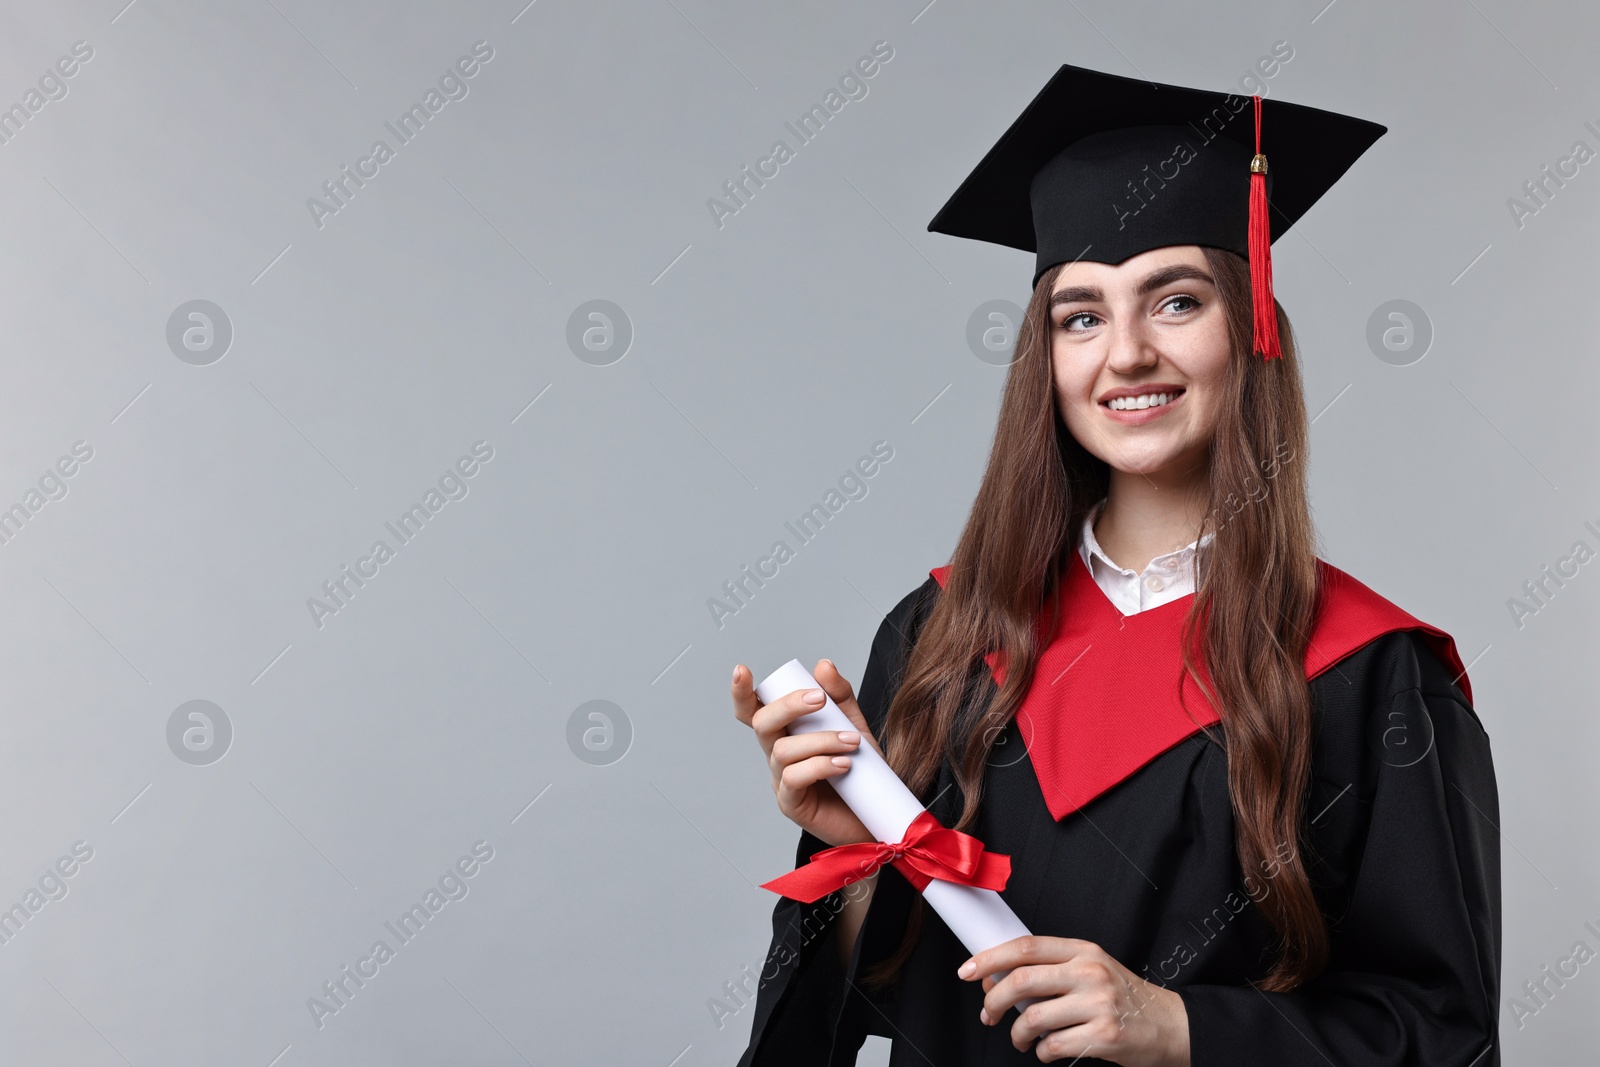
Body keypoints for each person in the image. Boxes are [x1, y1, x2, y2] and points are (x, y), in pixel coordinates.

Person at [730, 63, 1500, 1067]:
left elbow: (1439, 1033)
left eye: (1175, 301)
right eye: (1080, 316)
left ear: (1251, 326)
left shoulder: (1369, 672)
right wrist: (856, 852)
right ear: (1046, 361)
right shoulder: (941, 637)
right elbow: (864, 1012)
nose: (1124, 352)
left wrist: (1177, 1024)